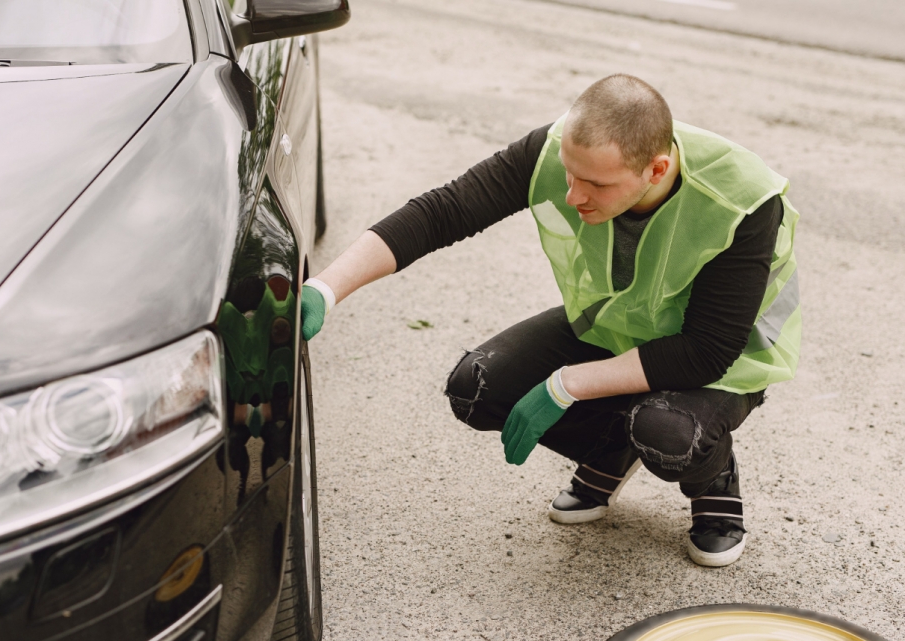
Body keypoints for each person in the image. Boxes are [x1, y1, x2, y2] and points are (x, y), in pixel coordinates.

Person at [300, 74, 800, 567]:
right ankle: (611, 453)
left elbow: (705, 352)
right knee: (476, 389)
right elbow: (442, 212)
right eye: (569, 174)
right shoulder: (562, 149)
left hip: (719, 363)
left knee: (668, 434)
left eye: (597, 185)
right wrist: (326, 288)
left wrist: (567, 384)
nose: (573, 195)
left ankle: (713, 483)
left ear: (657, 168)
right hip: (616, 328)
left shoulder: (740, 200)